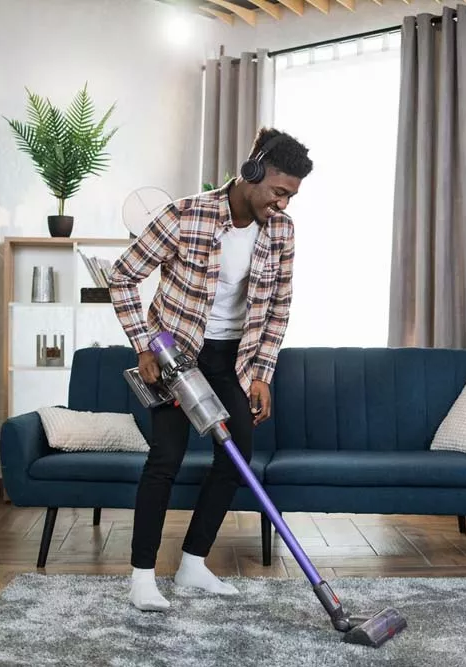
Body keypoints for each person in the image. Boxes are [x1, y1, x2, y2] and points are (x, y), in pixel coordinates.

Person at [108, 127, 313, 611]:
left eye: (292, 196)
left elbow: (278, 307)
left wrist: (261, 373)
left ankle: (193, 564)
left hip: (232, 359)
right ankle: (141, 577)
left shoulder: (281, 231)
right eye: (279, 192)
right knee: (166, 459)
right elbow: (123, 276)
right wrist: (143, 345)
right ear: (253, 172)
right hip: (174, 355)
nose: (284, 204)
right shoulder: (185, 214)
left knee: (236, 458)